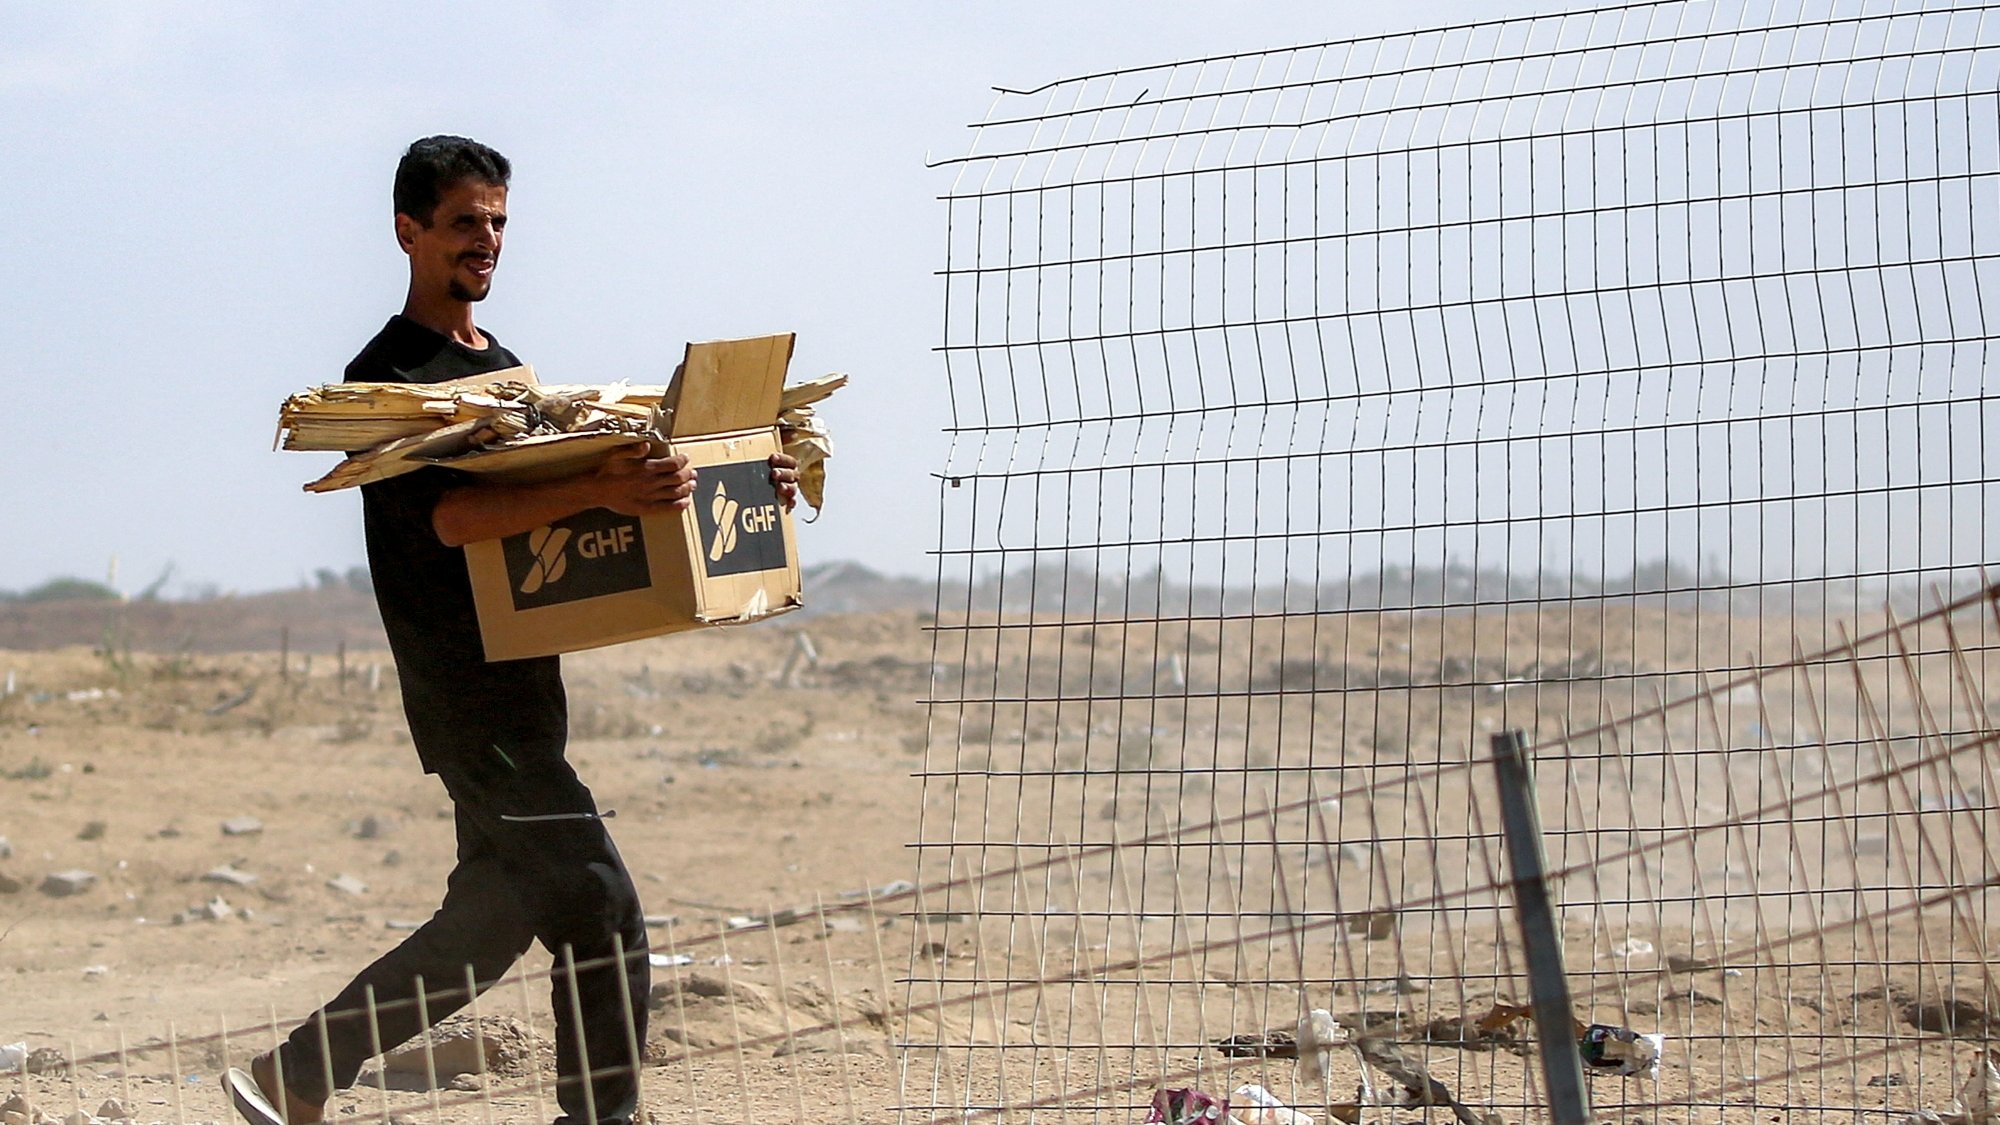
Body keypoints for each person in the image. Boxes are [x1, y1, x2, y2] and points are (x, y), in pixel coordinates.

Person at [229, 135, 797, 1125]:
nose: (484, 240)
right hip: (467, 703)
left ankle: (298, 1075)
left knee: (493, 920)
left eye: (495, 221)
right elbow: (451, 520)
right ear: (407, 231)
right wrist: (599, 482)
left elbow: (559, 507)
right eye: (462, 223)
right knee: (601, 908)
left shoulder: (505, 372)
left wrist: (739, 476)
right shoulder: (391, 379)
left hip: (525, 691)